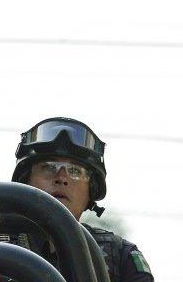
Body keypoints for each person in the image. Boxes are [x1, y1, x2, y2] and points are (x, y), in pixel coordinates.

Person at [9, 117, 153, 281]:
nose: (61, 178)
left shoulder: (120, 257)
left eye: (75, 171)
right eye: (49, 167)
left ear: (91, 190)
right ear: (25, 181)